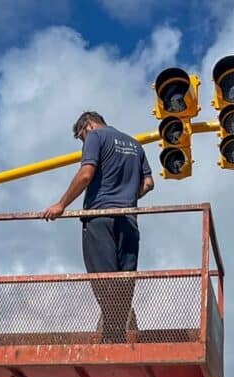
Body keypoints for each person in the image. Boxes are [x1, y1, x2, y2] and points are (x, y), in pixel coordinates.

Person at [43, 111, 154, 341]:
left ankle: (113, 333)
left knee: (103, 278)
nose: (85, 143)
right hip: (129, 219)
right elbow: (148, 184)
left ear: (89, 126)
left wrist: (61, 204)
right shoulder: (136, 144)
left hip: (100, 217)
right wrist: (126, 198)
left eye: (82, 138)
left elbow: (86, 175)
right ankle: (118, 331)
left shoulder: (95, 137)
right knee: (124, 280)